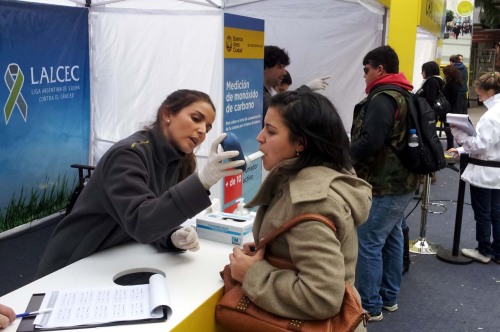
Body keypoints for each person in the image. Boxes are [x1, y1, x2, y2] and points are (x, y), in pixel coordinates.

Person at [36, 89, 245, 277]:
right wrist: (202, 182)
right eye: (196, 118)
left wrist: (172, 234)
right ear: (167, 114)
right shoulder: (128, 154)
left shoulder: (178, 161)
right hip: (76, 260)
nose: (201, 131)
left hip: (116, 259)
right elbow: (141, 221)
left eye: (207, 128)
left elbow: (155, 213)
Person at [227, 90, 372, 328]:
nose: (260, 137)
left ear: (301, 144)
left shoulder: (310, 201)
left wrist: (252, 274)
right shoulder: (312, 177)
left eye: (271, 131)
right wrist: (270, 249)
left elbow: (322, 297)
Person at [350, 45, 419, 321]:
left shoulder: (382, 97)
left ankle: (370, 305)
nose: (364, 76)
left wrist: (344, 152)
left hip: (384, 182)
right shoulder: (403, 93)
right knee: (390, 237)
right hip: (402, 180)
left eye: (366, 70)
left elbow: (371, 141)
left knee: (368, 241)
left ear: (379, 69)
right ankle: (388, 298)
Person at [447, 72, 500, 264]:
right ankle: (497, 251)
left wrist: (458, 133)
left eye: (480, 95)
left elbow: (480, 145)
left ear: (491, 92)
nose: (478, 98)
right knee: (496, 211)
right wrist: (462, 149)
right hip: (496, 171)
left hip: (485, 171)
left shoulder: (492, 116)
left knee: (483, 212)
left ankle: (484, 250)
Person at [263, 45, 331, 123]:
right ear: (264, 67)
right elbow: (281, 108)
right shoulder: (262, 97)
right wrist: (307, 87)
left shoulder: (264, 93)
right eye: (280, 67)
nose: (284, 72)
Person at [416, 60, 444, 183]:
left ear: (427, 71)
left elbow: (430, 99)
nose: (421, 73)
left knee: (425, 143)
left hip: (426, 117)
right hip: (431, 116)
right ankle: (429, 172)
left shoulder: (432, 82)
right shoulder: (439, 80)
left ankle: (428, 172)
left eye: (423, 70)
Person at [442, 64, 463, 150]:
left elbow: (447, 97)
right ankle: (460, 147)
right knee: (453, 130)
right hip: (455, 109)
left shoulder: (450, 84)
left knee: (449, 130)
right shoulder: (457, 83)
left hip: (449, 110)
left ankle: (451, 147)